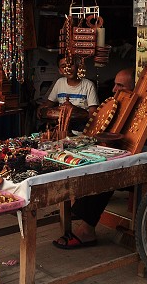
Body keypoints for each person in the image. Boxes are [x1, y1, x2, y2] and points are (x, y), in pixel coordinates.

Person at [53, 68, 135, 250]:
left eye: (120, 86)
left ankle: (87, 230)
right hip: (117, 155)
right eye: (114, 85)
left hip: (134, 162)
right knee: (91, 165)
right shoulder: (116, 104)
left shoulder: (139, 110)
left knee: (104, 175)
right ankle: (80, 216)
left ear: (133, 89)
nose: (114, 90)